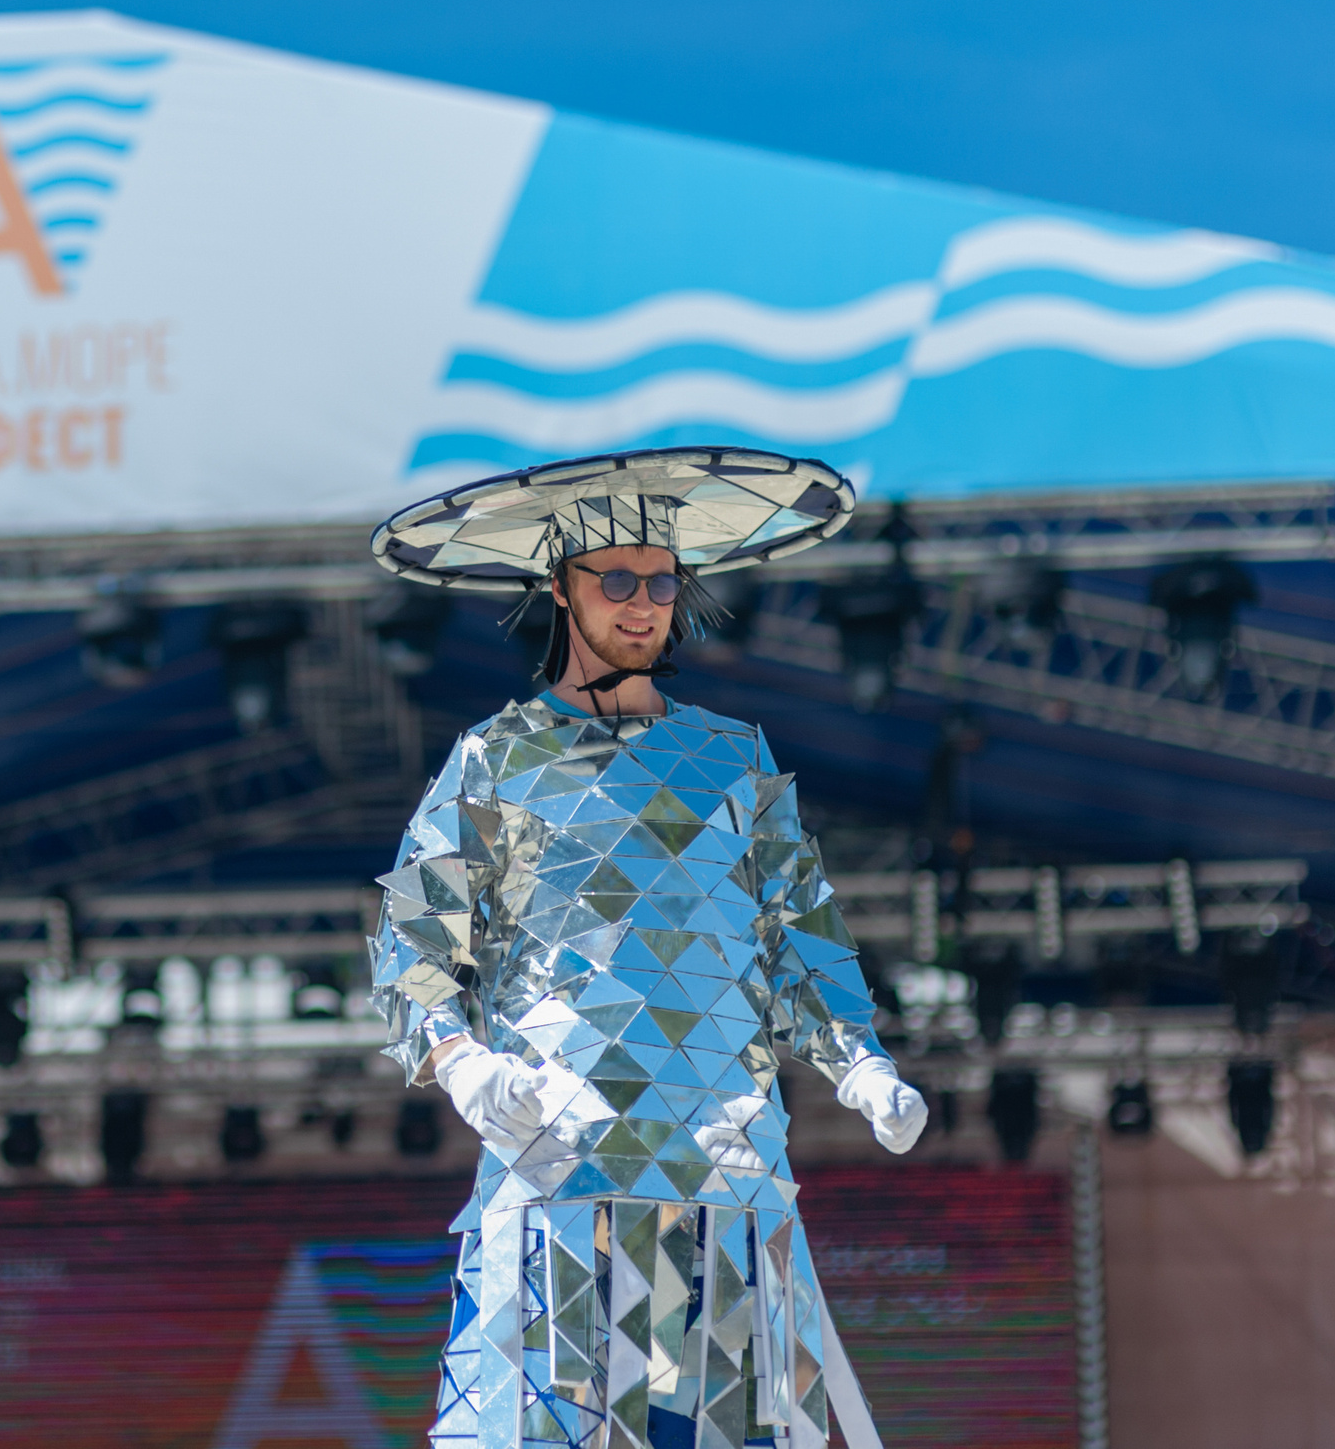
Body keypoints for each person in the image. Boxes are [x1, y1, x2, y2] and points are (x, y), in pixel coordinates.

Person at [366, 448, 925, 1449]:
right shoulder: (498, 759)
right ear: (559, 591)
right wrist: (459, 1063)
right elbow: (413, 937)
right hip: (562, 1170)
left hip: (725, 1178)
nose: (642, 605)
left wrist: (860, 1060)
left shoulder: (731, 758)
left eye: (661, 582)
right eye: (615, 580)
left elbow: (801, 933)